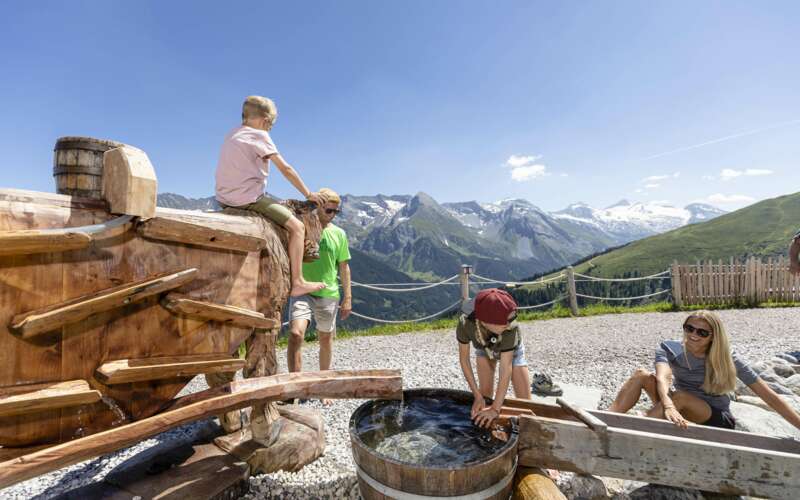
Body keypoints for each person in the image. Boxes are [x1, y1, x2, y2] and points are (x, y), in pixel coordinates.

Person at [609, 310, 800, 430]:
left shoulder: (727, 358)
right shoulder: (669, 348)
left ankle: (636, 431)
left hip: (715, 416)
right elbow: (663, 378)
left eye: (702, 332)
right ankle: (605, 419)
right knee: (641, 375)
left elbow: (769, 396)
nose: (693, 335)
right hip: (676, 405)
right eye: (689, 328)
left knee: (680, 397)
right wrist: (667, 406)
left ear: (713, 337)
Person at [215, 95, 328, 297]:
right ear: (266, 120)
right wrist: (309, 193)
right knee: (298, 227)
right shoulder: (260, 135)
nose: (270, 129)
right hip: (249, 199)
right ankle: (298, 281)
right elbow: (286, 168)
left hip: (223, 198)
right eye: (272, 125)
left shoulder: (232, 134)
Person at [288, 188, 352, 403]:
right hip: (302, 290)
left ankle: (324, 386)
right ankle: (295, 386)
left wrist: (348, 298)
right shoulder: (300, 227)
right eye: (328, 209)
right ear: (317, 206)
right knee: (296, 334)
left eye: (336, 211)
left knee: (325, 339)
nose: (332, 214)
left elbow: (344, 267)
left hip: (328, 292)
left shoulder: (339, 234)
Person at [457, 288, 532, 428]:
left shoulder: (511, 328)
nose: (509, 325)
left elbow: (505, 369)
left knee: (526, 404)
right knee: (485, 399)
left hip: (512, 352)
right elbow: (464, 360)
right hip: (483, 347)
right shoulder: (465, 324)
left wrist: (496, 409)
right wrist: (477, 395)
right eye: (505, 323)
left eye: (511, 320)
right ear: (485, 321)